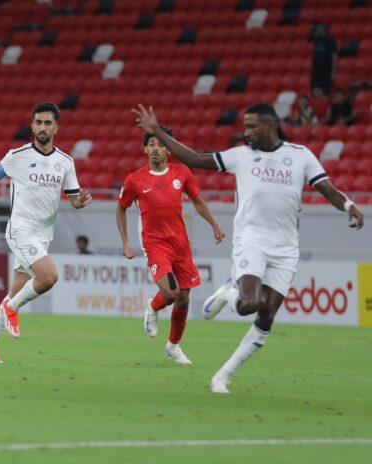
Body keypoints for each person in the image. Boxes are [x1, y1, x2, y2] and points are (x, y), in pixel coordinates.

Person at [133, 103, 363, 393]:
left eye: (252, 126)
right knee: (250, 303)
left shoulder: (300, 156)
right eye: (244, 126)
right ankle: (230, 292)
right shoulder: (240, 156)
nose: (246, 132)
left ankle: (222, 376)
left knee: (265, 317)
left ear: (271, 125)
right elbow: (194, 158)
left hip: (286, 249)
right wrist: (158, 133)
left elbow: (326, 188)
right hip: (251, 240)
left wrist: (349, 205)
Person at [0, 102, 92, 363]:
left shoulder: (65, 162)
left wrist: (80, 202)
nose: (42, 127)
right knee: (49, 276)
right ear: (32, 125)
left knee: (18, 290)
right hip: (20, 229)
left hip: (44, 234)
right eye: (38, 122)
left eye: (47, 123)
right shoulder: (17, 155)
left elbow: (73, 199)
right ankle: (10, 309)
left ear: (56, 127)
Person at [116, 125, 225, 365]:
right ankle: (152, 307)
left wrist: (214, 225)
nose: (156, 149)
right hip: (154, 243)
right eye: (151, 145)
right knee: (170, 293)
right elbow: (121, 209)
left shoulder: (182, 172)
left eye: (161, 144)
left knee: (184, 299)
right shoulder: (134, 180)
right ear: (145, 149)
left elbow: (197, 201)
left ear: (169, 149)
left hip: (180, 244)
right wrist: (125, 242)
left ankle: (173, 346)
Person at [309, 22, 337, 95]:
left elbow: (334, 55)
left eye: (319, 29)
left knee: (324, 91)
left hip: (325, 70)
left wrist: (333, 71)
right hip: (316, 70)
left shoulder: (330, 40)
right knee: (314, 90)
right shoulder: (316, 39)